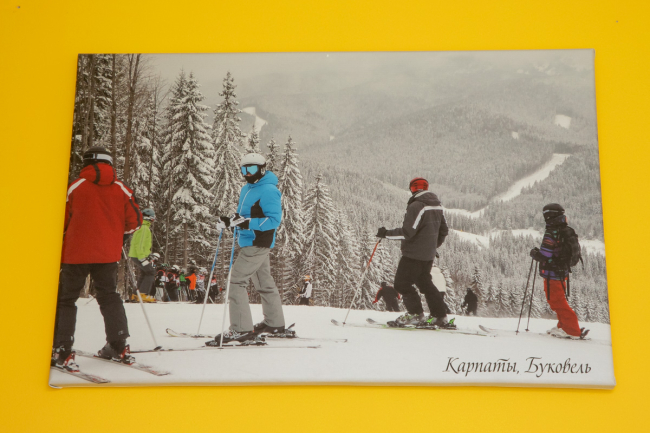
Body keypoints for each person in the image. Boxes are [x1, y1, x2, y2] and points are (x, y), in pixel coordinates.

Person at [52, 146, 142, 371]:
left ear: (86, 163)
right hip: (107, 254)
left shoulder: (74, 186)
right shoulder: (121, 188)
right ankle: (118, 344)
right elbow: (136, 221)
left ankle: (62, 348)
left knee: (66, 299)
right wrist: (117, 234)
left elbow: (60, 220)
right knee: (109, 296)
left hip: (75, 254)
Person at [206, 153, 285, 346]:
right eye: (244, 169)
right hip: (250, 241)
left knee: (236, 280)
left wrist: (246, 223)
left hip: (258, 242)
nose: (247, 173)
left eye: (251, 169)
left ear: (262, 169)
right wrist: (231, 222)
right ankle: (274, 323)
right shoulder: (248, 189)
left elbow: (274, 220)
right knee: (264, 282)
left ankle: (241, 328)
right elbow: (245, 216)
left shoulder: (269, 190)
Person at [376, 177, 450, 327]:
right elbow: (444, 230)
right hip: (427, 255)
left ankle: (415, 314)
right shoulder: (436, 205)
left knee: (401, 284)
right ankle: (439, 316)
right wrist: (432, 247)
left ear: (412, 189)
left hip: (413, 254)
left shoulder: (417, 205)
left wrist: (386, 234)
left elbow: (407, 232)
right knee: (425, 283)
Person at [530, 203, 587, 339]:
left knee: (557, 302)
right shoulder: (564, 229)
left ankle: (572, 330)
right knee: (558, 300)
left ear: (549, 216)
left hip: (553, 274)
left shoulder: (552, 232)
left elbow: (545, 255)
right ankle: (563, 326)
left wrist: (534, 253)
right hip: (561, 272)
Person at [128, 208, 157, 302]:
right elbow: (139, 244)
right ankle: (143, 294)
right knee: (150, 272)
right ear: (148, 218)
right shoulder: (144, 228)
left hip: (137, 255)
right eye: (152, 217)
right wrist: (142, 258)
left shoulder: (141, 227)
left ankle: (136, 295)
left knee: (145, 273)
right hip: (138, 256)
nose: (153, 220)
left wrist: (147, 255)